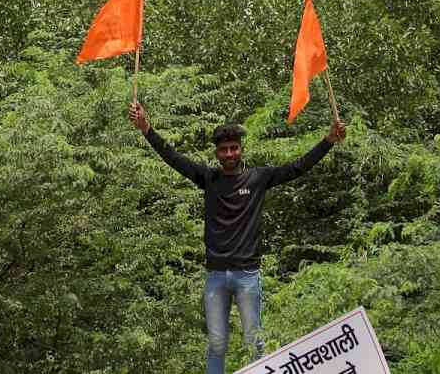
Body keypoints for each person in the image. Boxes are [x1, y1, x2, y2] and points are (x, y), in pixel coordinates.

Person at [129, 101, 346, 374]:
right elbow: (173, 158)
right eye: (224, 149)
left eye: (234, 148)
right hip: (216, 276)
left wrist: (328, 140)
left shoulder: (258, 179)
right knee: (217, 344)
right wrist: (146, 128)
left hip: (247, 275)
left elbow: (297, 167)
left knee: (253, 341)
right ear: (217, 153)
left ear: (241, 150)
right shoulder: (208, 179)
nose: (229, 153)